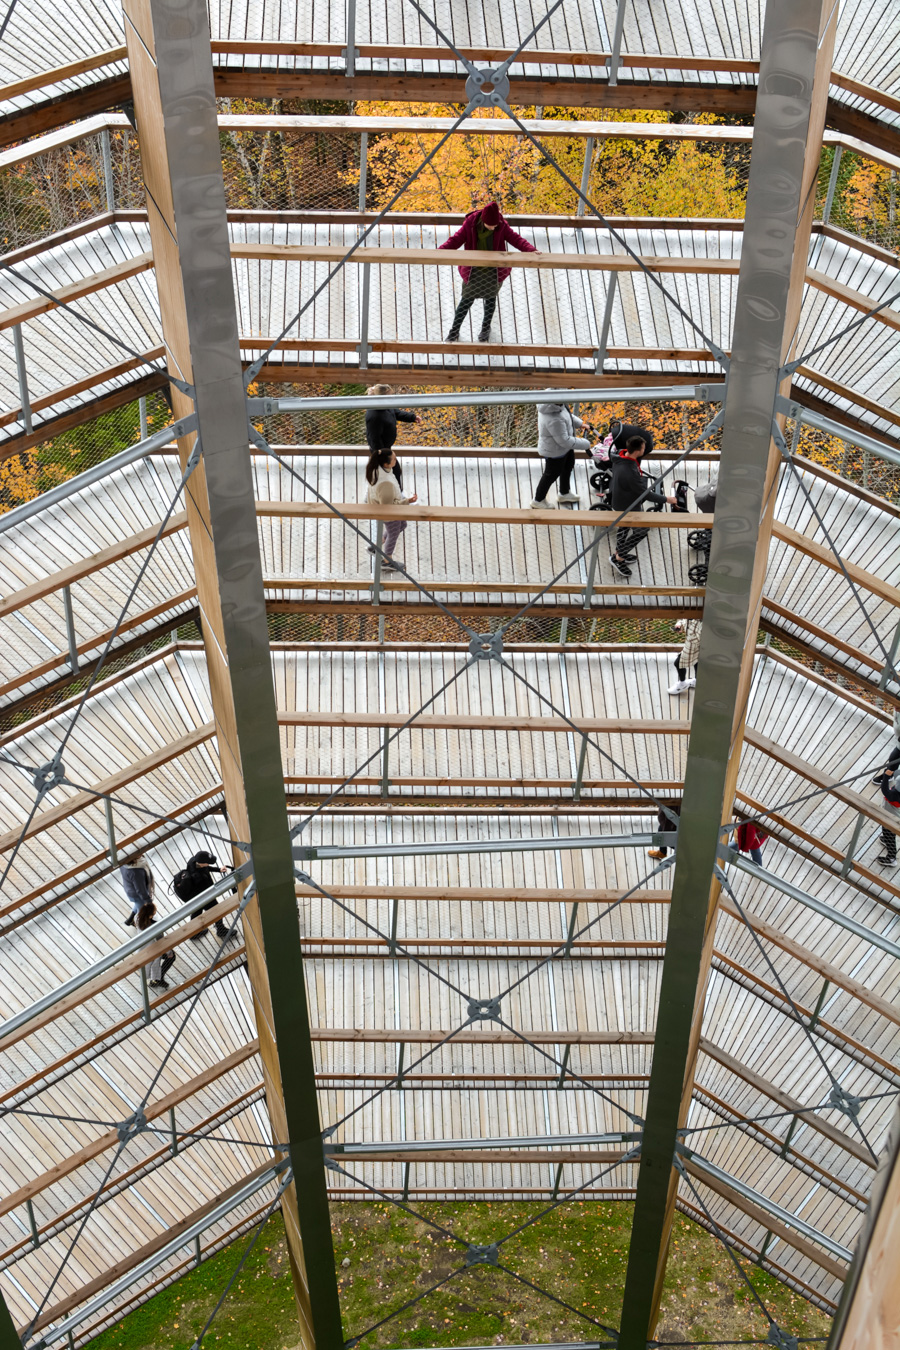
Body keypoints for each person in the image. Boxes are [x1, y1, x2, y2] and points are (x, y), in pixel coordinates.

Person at [439, 201, 537, 342]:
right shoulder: (470, 224)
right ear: (483, 220)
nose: (493, 228)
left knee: (490, 299)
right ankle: (454, 330)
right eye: (490, 225)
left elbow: (516, 239)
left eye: (495, 225)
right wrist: (439, 253)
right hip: (474, 269)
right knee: (466, 301)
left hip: (494, 269)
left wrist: (531, 250)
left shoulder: (501, 225)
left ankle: (485, 328)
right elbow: (455, 240)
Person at [608, 436, 677, 578]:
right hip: (628, 505)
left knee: (624, 526)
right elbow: (644, 494)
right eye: (644, 448)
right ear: (637, 451)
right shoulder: (630, 472)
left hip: (620, 499)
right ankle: (618, 556)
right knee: (642, 530)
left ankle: (619, 553)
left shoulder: (620, 456)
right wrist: (667, 499)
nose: (645, 450)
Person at [531, 400, 591, 507]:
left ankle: (564, 492)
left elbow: (567, 416)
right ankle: (538, 500)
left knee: (568, 467)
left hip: (564, 448)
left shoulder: (557, 404)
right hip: (555, 451)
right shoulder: (554, 419)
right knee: (551, 475)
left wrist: (580, 424)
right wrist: (585, 444)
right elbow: (565, 441)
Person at [365, 447, 417, 571]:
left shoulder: (380, 469)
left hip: (383, 507)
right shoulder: (385, 483)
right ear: (386, 463)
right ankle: (387, 561)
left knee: (402, 525)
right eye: (394, 459)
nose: (396, 460)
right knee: (393, 533)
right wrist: (407, 501)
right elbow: (388, 507)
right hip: (388, 512)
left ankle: (375, 547)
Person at [364, 384, 419, 494]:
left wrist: (413, 417)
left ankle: (397, 495)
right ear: (382, 397)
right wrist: (383, 455)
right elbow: (374, 439)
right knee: (387, 473)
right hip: (380, 451)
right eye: (390, 395)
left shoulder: (386, 406)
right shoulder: (374, 415)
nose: (391, 397)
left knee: (394, 472)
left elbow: (396, 413)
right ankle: (393, 496)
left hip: (386, 448)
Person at [172, 850, 234, 942]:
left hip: (196, 896)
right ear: (202, 863)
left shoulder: (193, 861)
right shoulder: (198, 877)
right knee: (217, 911)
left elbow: (206, 868)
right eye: (208, 863)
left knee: (196, 913)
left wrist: (218, 869)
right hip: (203, 896)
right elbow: (209, 889)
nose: (208, 864)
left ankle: (193, 933)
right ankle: (221, 931)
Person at [136, 900, 176, 991]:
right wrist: (169, 952)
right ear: (150, 915)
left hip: (143, 950)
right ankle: (158, 979)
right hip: (153, 950)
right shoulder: (154, 927)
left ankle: (155, 979)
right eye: (154, 911)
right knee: (171, 957)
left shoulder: (138, 919)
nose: (155, 912)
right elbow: (161, 942)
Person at [669, 618, 701, 695]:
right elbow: (687, 619)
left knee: (678, 663)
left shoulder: (701, 622)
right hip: (694, 643)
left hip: (694, 644)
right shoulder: (694, 615)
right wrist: (680, 624)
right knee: (697, 661)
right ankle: (697, 681)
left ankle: (682, 684)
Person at [121, 852, 154, 927]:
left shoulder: (123, 863)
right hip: (137, 894)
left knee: (138, 904)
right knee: (141, 912)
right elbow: (140, 890)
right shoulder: (136, 871)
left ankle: (129, 920)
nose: (141, 852)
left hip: (129, 889)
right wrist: (148, 901)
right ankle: (142, 926)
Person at [876, 768, 900, 867]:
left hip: (892, 818)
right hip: (893, 816)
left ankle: (891, 858)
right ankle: (887, 839)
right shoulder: (897, 792)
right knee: (887, 833)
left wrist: (886, 777)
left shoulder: (895, 795)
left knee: (889, 833)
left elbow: (885, 790)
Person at [872, 708, 900, 785]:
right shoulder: (897, 709)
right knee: (893, 758)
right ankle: (890, 774)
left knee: (894, 758)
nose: (895, 706)